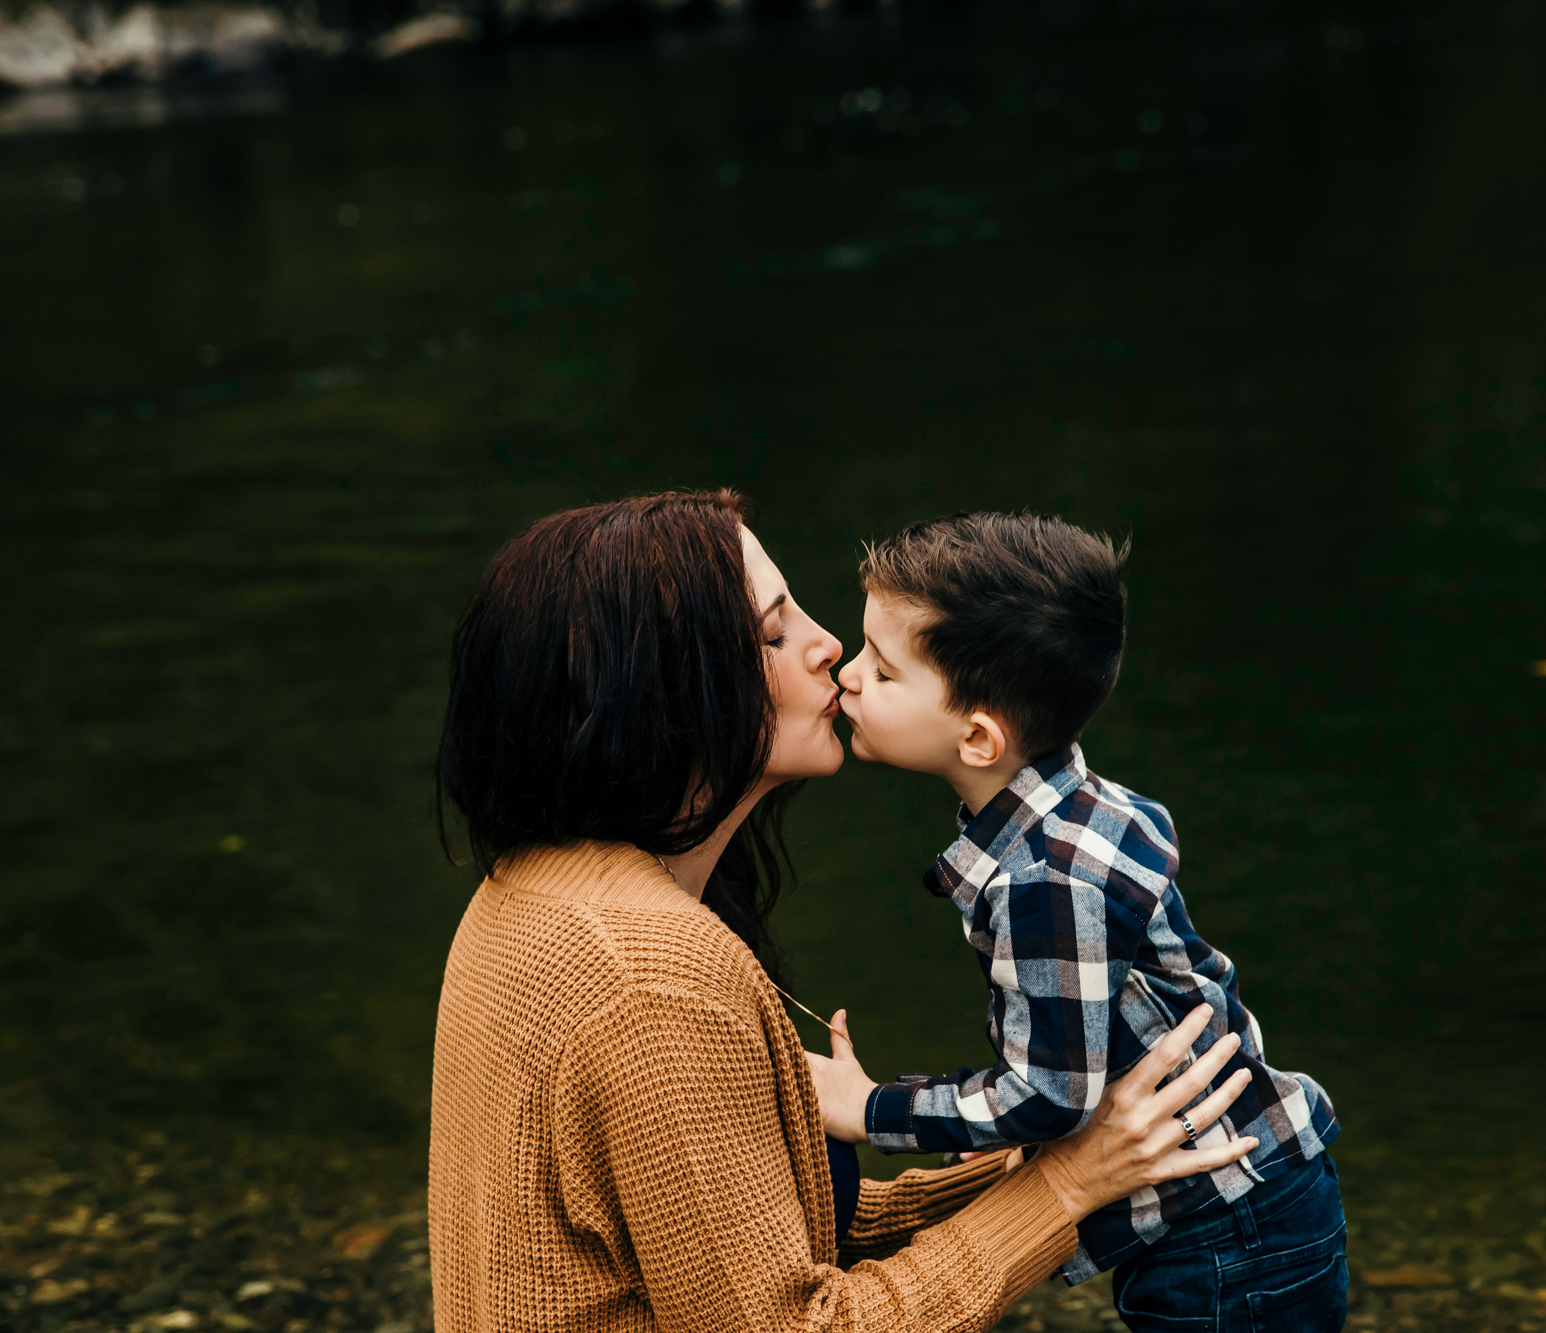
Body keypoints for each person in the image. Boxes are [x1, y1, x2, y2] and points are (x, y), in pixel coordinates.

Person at [427, 489, 1259, 1333]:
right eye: (775, 632)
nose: (829, 648)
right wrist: (1067, 1183)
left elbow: (767, 1240)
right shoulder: (649, 978)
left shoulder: (535, 890)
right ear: (670, 695)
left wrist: (1066, 1148)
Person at [814, 512, 1347, 1331]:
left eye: (882, 673)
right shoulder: (1084, 808)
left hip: (1222, 1235)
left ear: (980, 736)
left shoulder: (1043, 881)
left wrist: (873, 1109)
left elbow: (1049, 1096)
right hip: (1261, 1196)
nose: (849, 678)